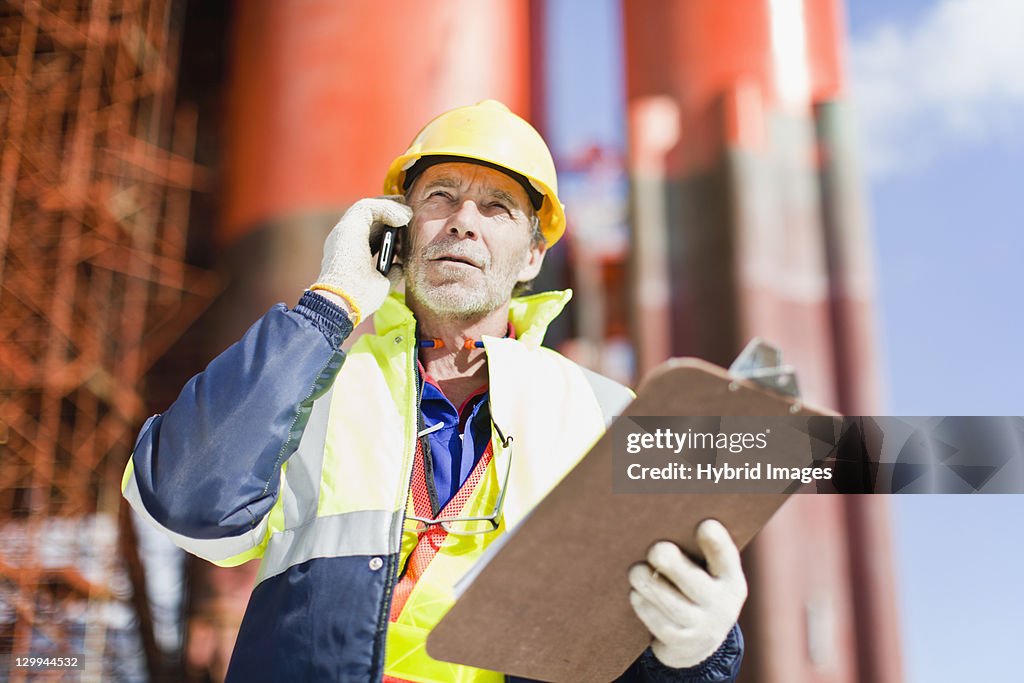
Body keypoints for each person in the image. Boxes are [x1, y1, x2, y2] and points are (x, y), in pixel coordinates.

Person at [122, 100, 746, 682]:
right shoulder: (311, 383)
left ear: (532, 255)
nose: (463, 224)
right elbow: (187, 501)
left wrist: (699, 650)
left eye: (497, 207)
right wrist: (328, 306)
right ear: (397, 230)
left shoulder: (604, 413)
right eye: (440, 198)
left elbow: (626, 651)